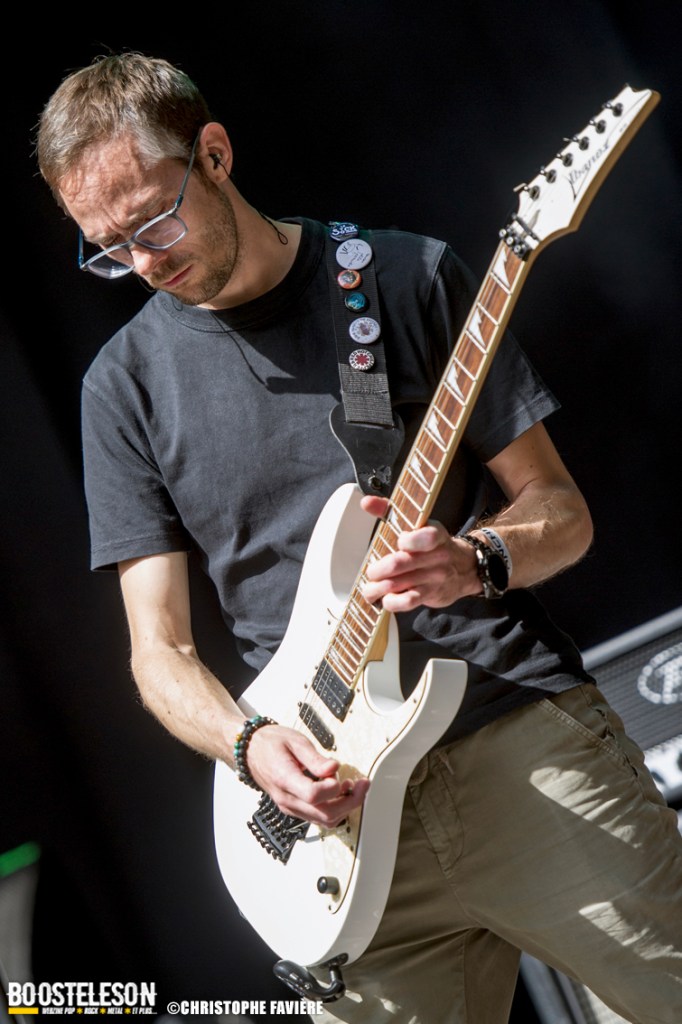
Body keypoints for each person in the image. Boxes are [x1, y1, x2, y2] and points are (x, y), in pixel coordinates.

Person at [36, 53, 682, 1024]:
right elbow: (158, 652)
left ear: (213, 154)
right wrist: (249, 745)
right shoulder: (120, 388)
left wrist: (477, 559)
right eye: (108, 248)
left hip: (517, 748)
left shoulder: (402, 277)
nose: (145, 263)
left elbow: (559, 511)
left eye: (153, 222)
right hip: (335, 830)